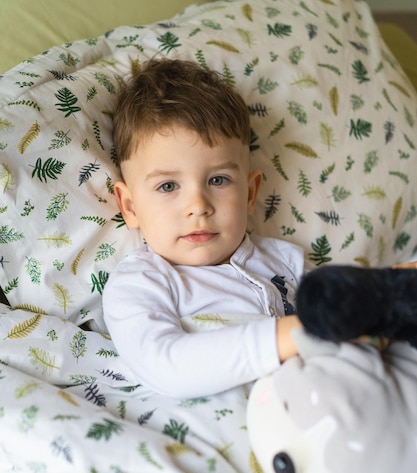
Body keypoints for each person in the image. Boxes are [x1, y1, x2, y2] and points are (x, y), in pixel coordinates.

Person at [102, 58, 310, 397]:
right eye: (168, 186)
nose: (198, 205)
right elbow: (164, 365)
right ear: (130, 206)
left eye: (218, 180)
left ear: (250, 193)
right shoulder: (142, 282)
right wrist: (296, 335)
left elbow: (348, 307)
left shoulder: (287, 262)